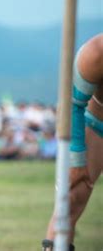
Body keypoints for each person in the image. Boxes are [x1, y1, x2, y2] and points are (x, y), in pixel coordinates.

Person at [42, 33, 103, 251]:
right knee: (71, 197)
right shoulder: (96, 52)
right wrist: (76, 161)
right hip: (98, 123)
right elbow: (71, 104)